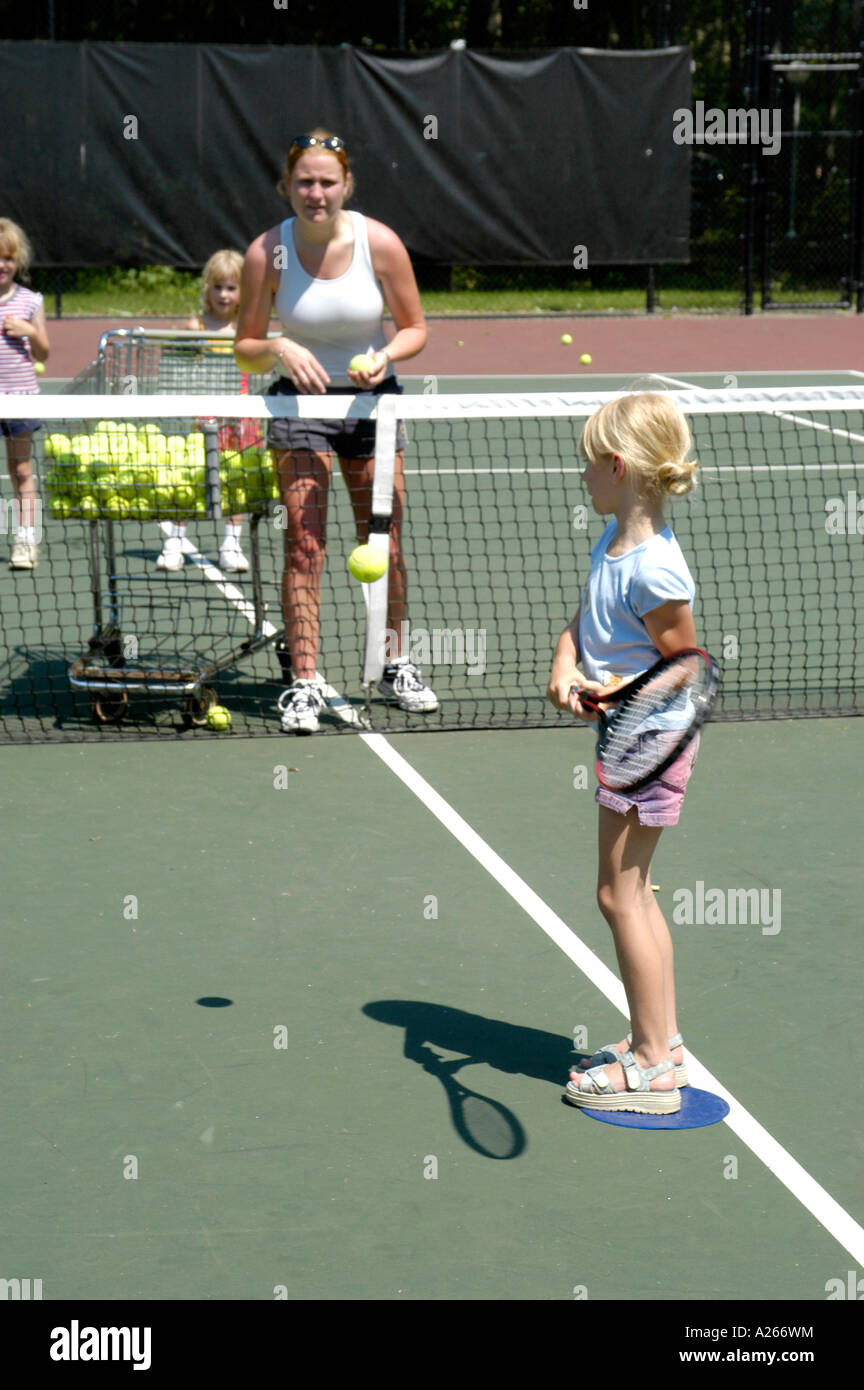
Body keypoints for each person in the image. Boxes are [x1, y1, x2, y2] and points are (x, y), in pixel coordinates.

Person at [234, 129, 438, 733]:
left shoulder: (380, 243)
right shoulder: (265, 252)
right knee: (304, 542)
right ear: (286, 186)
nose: (315, 193)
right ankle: (303, 681)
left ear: (346, 185)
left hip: (374, 407)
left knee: (385, 542)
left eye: (327, 182)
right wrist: (275, 345)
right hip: (298, 408)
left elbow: (415, 328)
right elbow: (245, 346)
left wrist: (384, 356)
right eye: (304, 182)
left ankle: (395, 661)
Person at [547, 392, 701, 1114]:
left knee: (617, 894)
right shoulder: (613, 544)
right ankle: (663, 1043)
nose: (581, 476)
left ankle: (649, 1064)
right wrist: (565, 660)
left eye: (588, 464)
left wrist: (614, 693)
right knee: (634, 894)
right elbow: (587, 614)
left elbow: (684, 666)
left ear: (617, 466)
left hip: (650, 741)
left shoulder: (656, 571)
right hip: (628, 731)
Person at [157, 249, 252, 574]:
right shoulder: (194, 325)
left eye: (232, 288)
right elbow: (169, 355)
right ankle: (175, 542)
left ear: (243, 292)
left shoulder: (247, 327)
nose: (224, 295)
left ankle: (231, 544)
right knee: (189, 477)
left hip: (239, 418)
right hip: (200, 417)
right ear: (207, 289)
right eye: (218, 287)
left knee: (235, 480)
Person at [0, 218, 50, 570]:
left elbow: (45, 353)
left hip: (20, 398)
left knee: (20, 469)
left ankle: (26, 539)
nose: (1, 265)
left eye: (8, 258)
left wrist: (29, 330)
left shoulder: (31, 301)